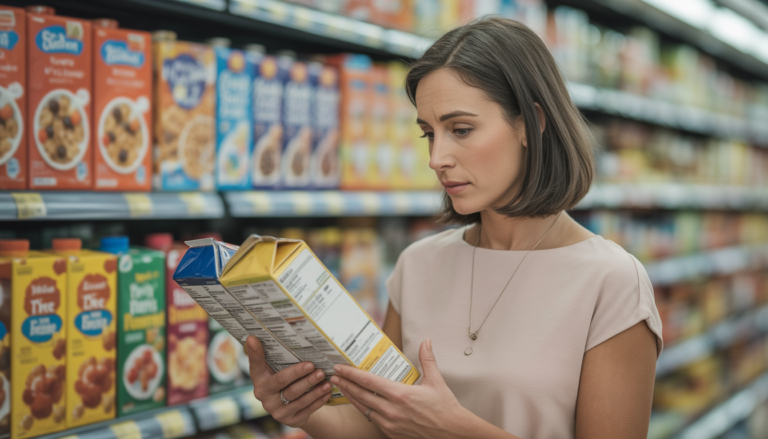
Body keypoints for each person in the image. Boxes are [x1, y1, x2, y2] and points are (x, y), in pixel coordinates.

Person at [245, 16, 662, 439]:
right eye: (429, 133)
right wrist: (301, 408)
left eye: (461, 129)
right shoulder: (417, 265)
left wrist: (451, 429)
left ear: (531, 123)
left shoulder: (611, 282)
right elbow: (377, 425)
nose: (436, 158)